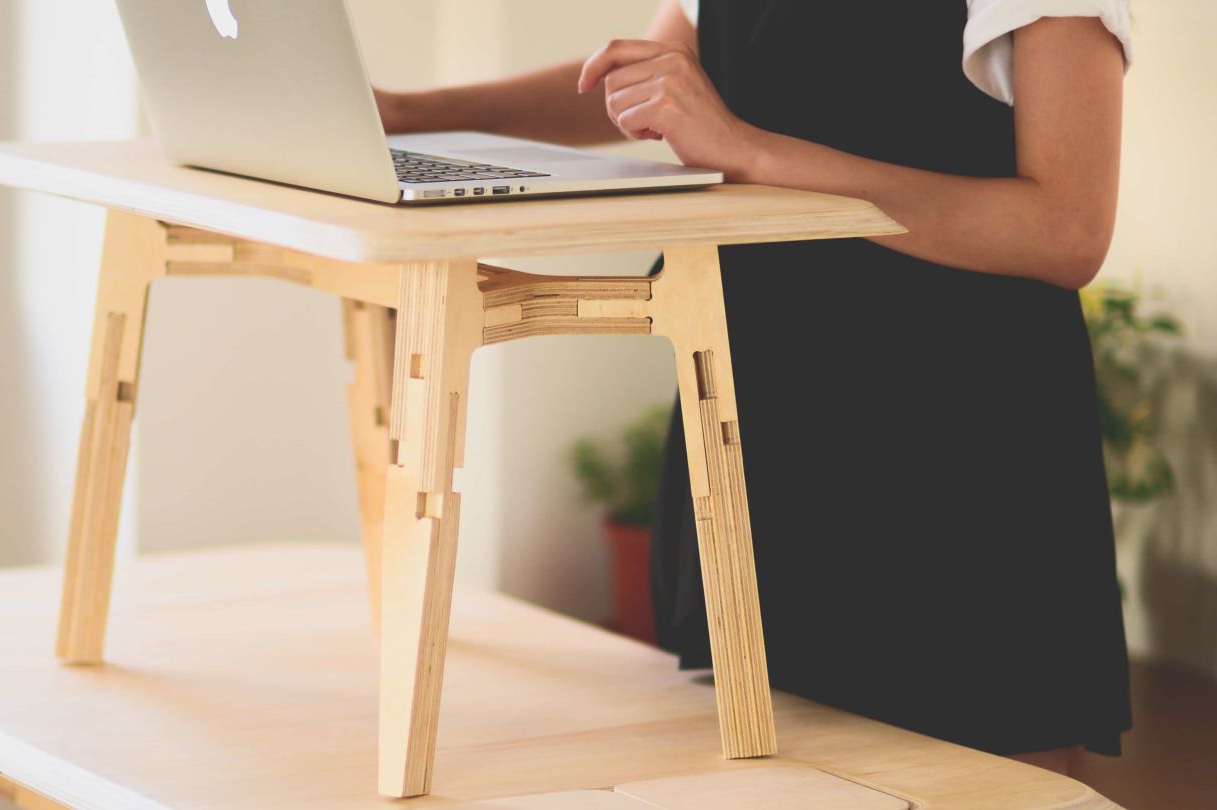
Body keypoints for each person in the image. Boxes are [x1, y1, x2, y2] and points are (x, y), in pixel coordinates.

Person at [377, 0, 1133, 774]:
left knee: (991, 776)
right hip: (759, 425)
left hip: (960, 458)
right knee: (777, 773)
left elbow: (1067, 228)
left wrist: (750, 152)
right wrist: (406, 116)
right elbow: (639, 81)